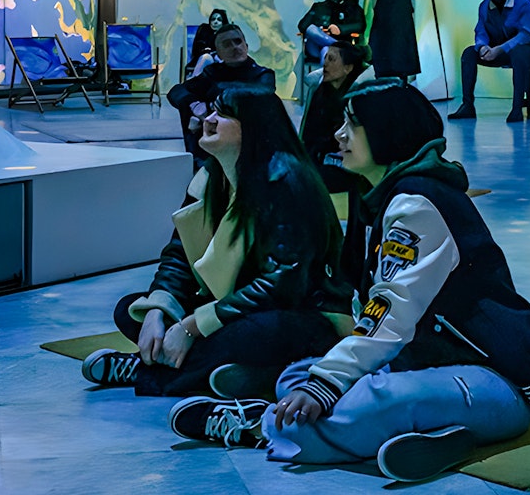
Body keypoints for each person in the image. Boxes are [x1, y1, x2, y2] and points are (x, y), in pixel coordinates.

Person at [167, 79, 530, 483]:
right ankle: (439, 438)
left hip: (496, 380)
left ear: (388, 129)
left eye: (352, 124)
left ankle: (260, 428)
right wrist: (322, 379)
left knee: (365, 400)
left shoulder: (417, 205)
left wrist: (327, 384)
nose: (339, 134)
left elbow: (391, 313)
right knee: (296, 377)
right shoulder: (380, 195)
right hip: (428, 360)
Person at [81, 86, 351, 396]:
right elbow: (179, 255)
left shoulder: (287, 181)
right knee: (132, 310)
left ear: (251, 126)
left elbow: (281, 285)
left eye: (221, 114)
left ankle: (148, 371)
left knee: (252, 334)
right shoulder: (213, 176)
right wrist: (159, 311)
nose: (207, 119)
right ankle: (231, 374)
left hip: (296, 315)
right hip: (232, 305)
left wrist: (190, 326)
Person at [447, 0, 530, 124]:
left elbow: (526, 35)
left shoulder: (523, 4)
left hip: (527, 51)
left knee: (519, 54)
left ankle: (517, 108)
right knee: (469, 54)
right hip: (496, 50)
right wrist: (482, 47)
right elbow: (481, 30)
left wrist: (500, 49)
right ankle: (467, 105)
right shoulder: (485, 6)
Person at [168, 24, 275, 164]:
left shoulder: (262, 75)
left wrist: (209, 108)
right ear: (219, 54)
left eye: (238, 42)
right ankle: (199, 163)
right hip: (213, 149)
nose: (235, 47)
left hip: (251, 151)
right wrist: (195, 106)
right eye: (227, 44)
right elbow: (176, 91)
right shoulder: (212, 73)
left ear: (246, 46)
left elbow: (251, 98)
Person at [299, 42, 373, 193]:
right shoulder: (319, 91)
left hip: (345, 165)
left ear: (348, 68)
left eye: (331, 59)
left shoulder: (356, 100)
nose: (325, 63)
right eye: (325, 58)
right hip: (318, 159)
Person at [298, 0, 366, 64]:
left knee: (326, 51)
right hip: (318, 46)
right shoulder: (319, 7)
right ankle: (337, 45)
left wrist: (340, 29)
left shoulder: (352, 8)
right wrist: (320, 31)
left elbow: (360, 25)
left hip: (336, 45)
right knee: (311, 29)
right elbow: (302, 26)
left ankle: (326, 74)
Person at [189, 8, 230, 78]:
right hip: (204, 59)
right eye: (213, 19)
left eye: (219, 20)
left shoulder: (228, 34)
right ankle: (193, 82)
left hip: (221, 61)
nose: (215, 22)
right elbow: (197, 49)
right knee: (207, 58)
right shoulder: (204, 30)